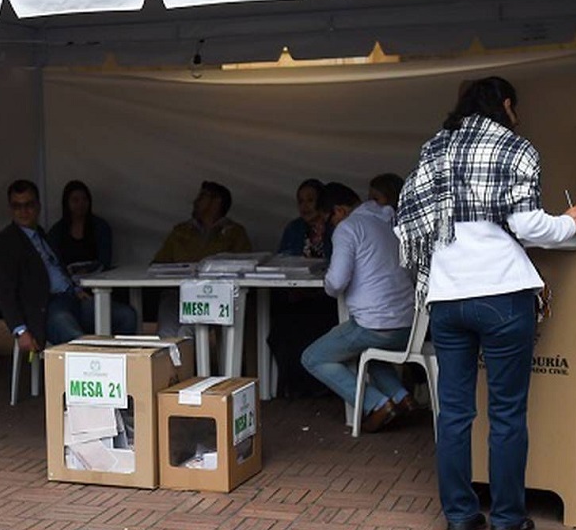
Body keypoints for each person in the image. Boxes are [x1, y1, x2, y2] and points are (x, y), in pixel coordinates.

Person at [396, 76, 576, 530]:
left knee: (455, 413)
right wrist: (569, 222)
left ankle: (459, 516)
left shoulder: (434, 149)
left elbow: (412, 220)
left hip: (447, 296)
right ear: (505, 105)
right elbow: (525, 224)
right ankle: (506, 519)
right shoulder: (514, 148)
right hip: (503, 295)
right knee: (507, 413)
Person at [301, 183, 415, 432]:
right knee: (369, 352)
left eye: (327, 219)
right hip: (410, 325)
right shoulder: (388, 224)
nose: (327, 226)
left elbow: (337, 282)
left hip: (377, 325)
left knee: (313, 357)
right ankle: (400, 396)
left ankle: (375, 404)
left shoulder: (347, 229)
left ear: (339, 211)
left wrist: (326, 282)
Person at [0, 179, 136, 352]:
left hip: (72, 298)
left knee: (126, 316)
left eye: (29, 205)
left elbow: (55, 269)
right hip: (45, 308)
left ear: (38, 206)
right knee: (78, 341)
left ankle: (122, 371)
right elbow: (5, 292)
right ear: (10, 209)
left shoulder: (42, 234)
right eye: (17, 206)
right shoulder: (5, 242)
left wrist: (75, 290)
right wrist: (20, 330)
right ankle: (99, 373)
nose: (23, 211)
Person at [151, 181, 252, 337]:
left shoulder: (235, 233)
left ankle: (191, 359)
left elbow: (246, 269)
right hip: (178, 293)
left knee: (188, 331)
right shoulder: (181, 231)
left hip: (217, 295)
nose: (195, 201)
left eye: (202, 197)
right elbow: (157, 264)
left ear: (216, 202)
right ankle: (173, 360)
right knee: (167, 333)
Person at [268, 179, 339, 396]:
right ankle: (294, 390)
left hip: (329, 300)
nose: (305, 206)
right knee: (283, 331)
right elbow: (282, 261)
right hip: (298, 298)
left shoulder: (336, 227)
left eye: (310, 200)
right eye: (300, 201)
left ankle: (323, 389)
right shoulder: (294, 228)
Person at [47, 180, 113, 272]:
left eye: (85, 199)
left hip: (97, 280)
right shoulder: (57, 231)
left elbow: (105, 260)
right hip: (66, 281)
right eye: (75, 200)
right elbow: (54, 262)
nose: (81, 204)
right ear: (67, 203)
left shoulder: (100, 227)